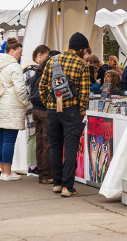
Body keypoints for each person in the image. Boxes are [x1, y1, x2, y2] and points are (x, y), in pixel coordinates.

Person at [39, 32, 91, 197]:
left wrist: (50, 104)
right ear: (81, 49)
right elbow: (84, 94)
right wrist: (81, 112)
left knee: (55, 147)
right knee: (70, 149)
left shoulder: (53, 60)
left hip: (53, 111)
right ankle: (67, 187)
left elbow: (43, 86)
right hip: (71, 112)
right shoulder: (82, 64)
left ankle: (57, 183)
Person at [0, 40, 30, 181]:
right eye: (19, 52)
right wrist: (25, 102)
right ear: (12, 51)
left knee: (0, 139)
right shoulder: (14, 66)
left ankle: (3, 171)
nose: (20, 55)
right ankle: (7, 172)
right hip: (11, 106)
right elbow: (20, 89)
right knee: (9, 140)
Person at [25, 46, 54, 184]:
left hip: (35, 110)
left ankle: (42, 172)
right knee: (47, 142)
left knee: (40, 142)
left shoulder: (35, 74)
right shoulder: (45, 75)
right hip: (44, 110)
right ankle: (47, 174)